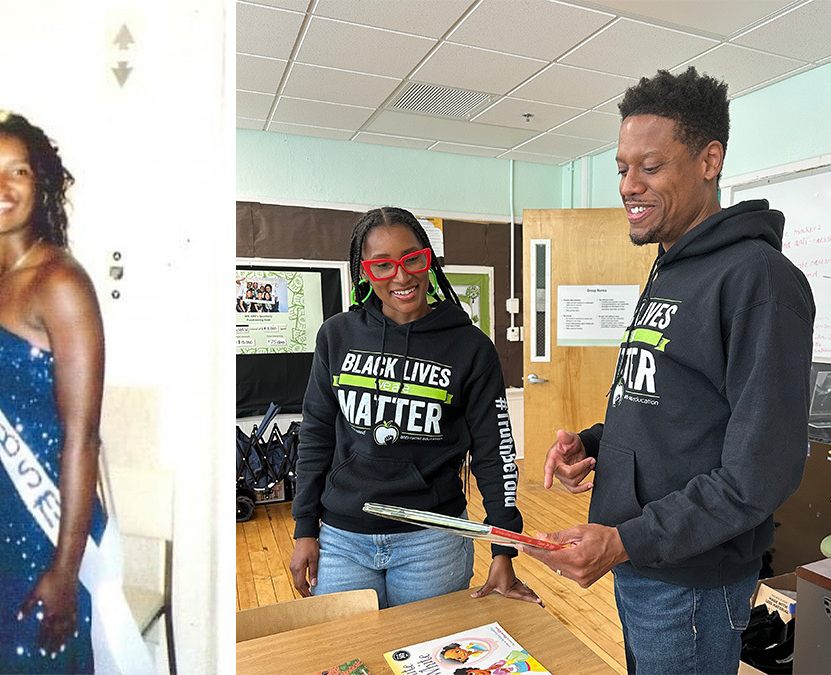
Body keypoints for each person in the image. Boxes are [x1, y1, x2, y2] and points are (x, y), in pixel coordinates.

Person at [520, 67, 815, 675]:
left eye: (649, 167)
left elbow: (762, 471)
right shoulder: (669, 266)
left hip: (694, 581)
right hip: (644, 557)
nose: (629, 185)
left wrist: (628, 539)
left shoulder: (759, 281)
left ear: (710, 160)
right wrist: (594, 443)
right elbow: (670, 401)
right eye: (623, 168)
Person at [0, 111, 149, 673]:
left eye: (19, 171)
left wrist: (65, 572)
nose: (0, 186)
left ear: (42, 187)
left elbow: (82, 440)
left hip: (48, 533)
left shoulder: (59, 283)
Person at [288, 206, 540, 609]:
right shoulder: (337, 335)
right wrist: (304, 529)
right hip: (343, 539)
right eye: (383, 265)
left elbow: (496, 455)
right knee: (348, 661)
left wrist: (503, 549)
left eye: (412, 260)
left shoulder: (470, 348)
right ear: (364, 271)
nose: (402, 277)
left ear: (429, 260)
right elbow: (316, 434)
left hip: (433, 542)